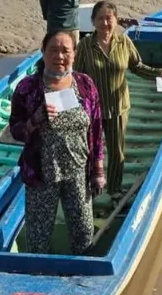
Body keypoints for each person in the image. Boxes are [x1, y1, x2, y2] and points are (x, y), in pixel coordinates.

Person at [8, 30, 105, 254]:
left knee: (83, 231)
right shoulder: (28, 88)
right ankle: (36, 275)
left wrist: (98, 169)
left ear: (74, 54)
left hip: (79, 171)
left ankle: (80, 275)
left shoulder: (85, 84)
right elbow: (16, 130)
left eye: (65, 51)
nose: (59, 56)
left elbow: (97, 128)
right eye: (53, 50)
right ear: (43, 53)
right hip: (42, 173)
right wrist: (35, 120)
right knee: (38, 234)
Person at [73, 0, 162, 198]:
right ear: (93, 21)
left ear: (116, 20)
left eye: (109, 18)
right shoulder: (85, 45)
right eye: (100, 18)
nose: (105, 23)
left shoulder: (124, 42)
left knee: (117, 151)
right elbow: (76, 76)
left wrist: (158, 73)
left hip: (118, 106)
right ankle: (86, 187)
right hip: (93, 108)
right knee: (89, 149)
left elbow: (137, 66)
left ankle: (115, 189)